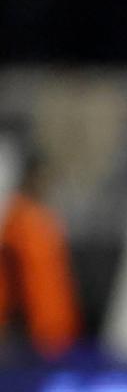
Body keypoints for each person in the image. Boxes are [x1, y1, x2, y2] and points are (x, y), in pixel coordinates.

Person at [0, 148, 81, 361]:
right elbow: (11, 276)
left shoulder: (44, 218)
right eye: (43, 177)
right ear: (30, 177)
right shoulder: (17, 218)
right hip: (26, 331)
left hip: (51, 330)